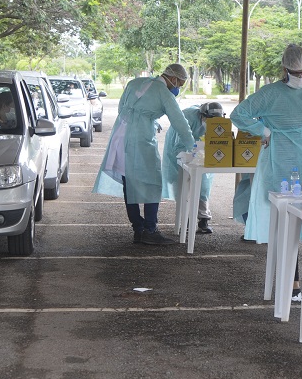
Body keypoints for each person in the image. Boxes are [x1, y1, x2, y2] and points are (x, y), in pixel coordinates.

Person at [230, 44, 302, 245]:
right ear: (284, 70)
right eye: (295, 73)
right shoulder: (269, 93)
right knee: (283, 223)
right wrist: (263, 131)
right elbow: (239, 114)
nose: (300, 77)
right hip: (279, 162)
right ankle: (292, 275)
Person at [93, 64, 196, 245]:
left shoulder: (135, 82)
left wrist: (148, 120)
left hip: (120, 134)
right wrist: (191, 145)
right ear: (173, 78)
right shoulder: (163, 92)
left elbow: (122, 108)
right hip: (140, 138)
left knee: (129, 181)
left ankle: (138, 229)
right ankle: (150, 229)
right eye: (179, 83)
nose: (178, 87)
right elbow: (179, 120)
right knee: (153, 182)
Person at [161, 101, 224, 234]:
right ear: (202, 115)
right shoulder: (187, 117)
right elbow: (180, 143)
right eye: (209, 120)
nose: (211, 123)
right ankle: (186, 219)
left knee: (204, 185)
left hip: (202, 153)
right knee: (182, 185)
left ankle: (203, 219)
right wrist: (192, 154)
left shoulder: (218, 122)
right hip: (179, 150)